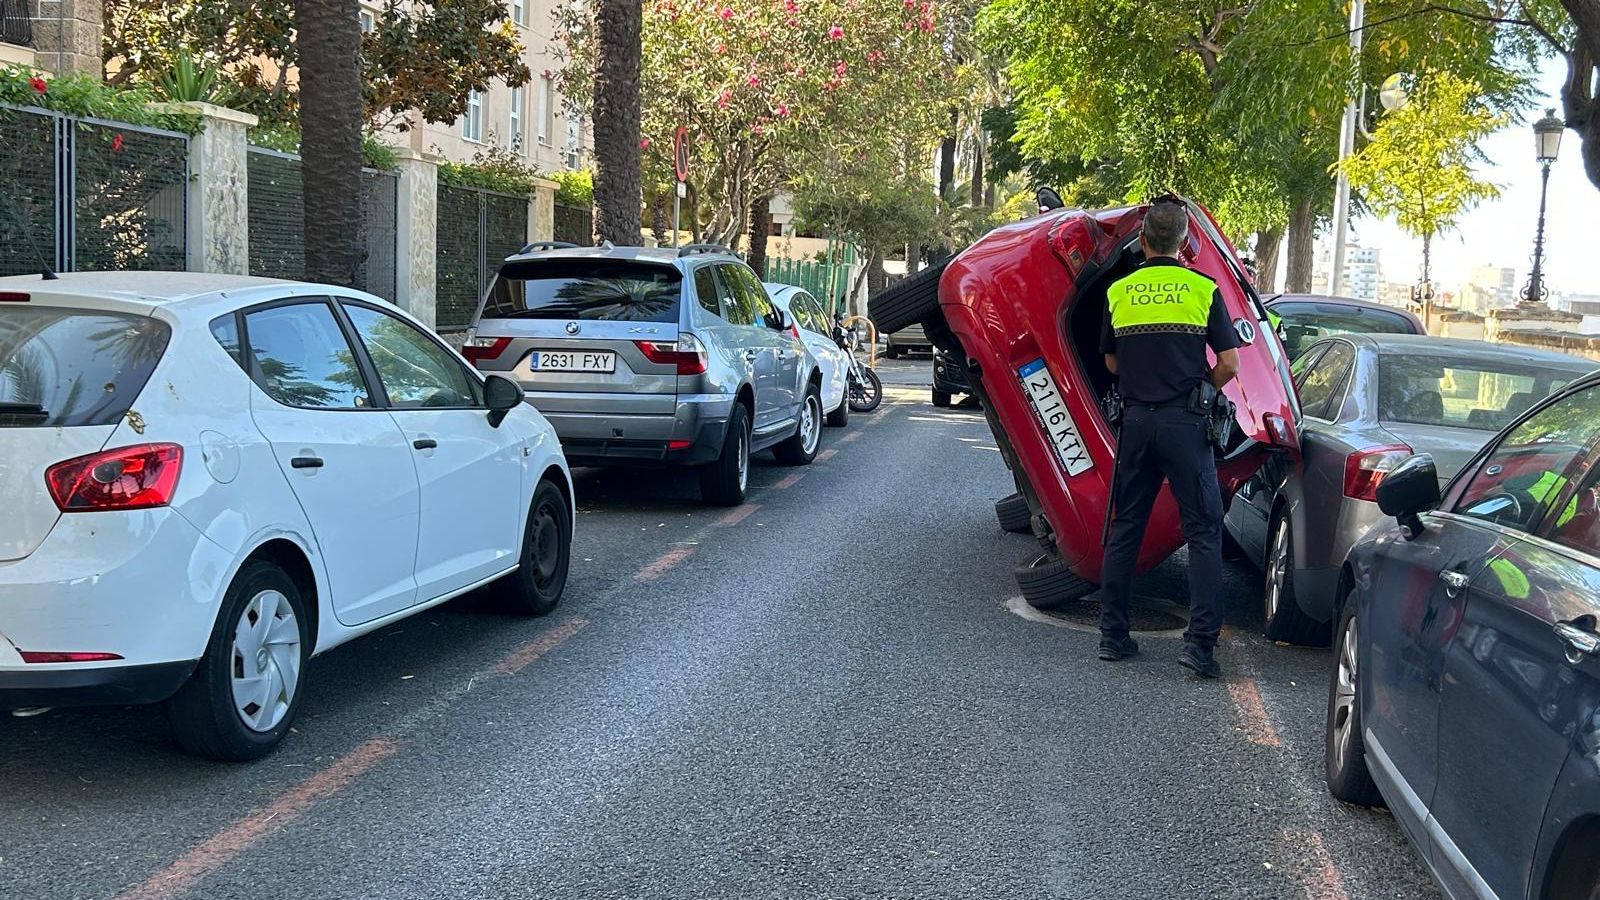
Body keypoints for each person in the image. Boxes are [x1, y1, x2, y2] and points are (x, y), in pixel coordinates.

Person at [1096, 199, 1241, 678]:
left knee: (1125, 527)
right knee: (1203, 531)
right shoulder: (1202, 288)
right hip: (1185, 424)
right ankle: (1199, 647)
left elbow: (1111, 364)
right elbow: (1230, 364)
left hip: (1136, 423)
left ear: (1142, 240)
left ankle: (1113, 637)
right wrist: (1200, 389)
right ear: (1183, 241)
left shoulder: (1120, 290)